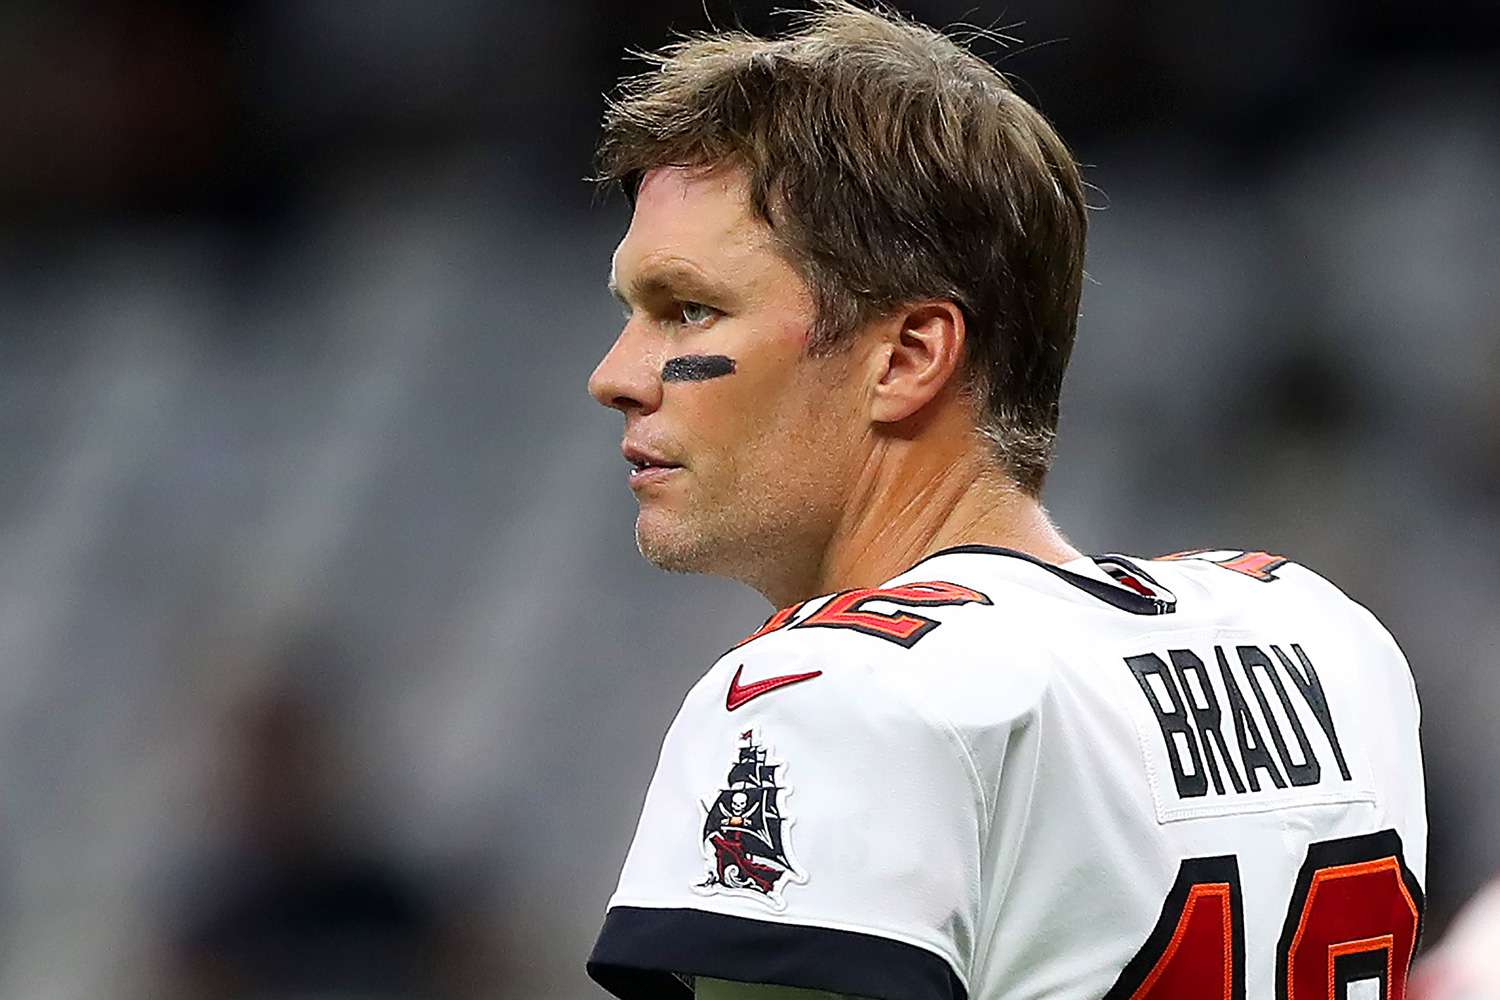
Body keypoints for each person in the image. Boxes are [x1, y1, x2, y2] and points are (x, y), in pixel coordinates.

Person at [583, 4, 1426, 998]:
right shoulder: (1320, 633)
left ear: (906, 356)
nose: (616, 374)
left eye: (688, 307)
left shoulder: (830, 686)